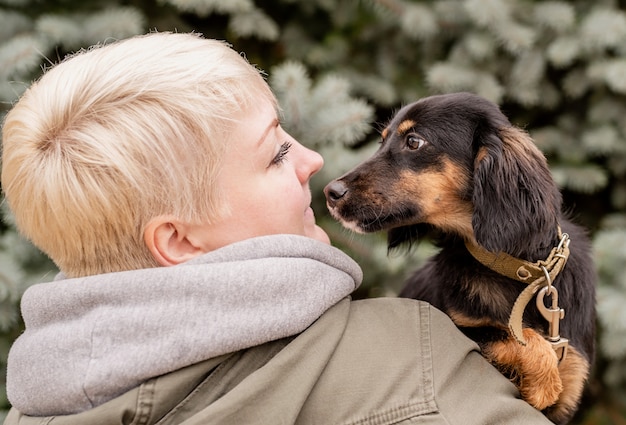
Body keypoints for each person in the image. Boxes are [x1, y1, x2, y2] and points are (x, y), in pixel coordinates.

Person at [1, 32, 552, 424]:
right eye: (274, 154)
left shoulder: (32, 407)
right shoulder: (411, 363)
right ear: (179, 241)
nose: (313, 160)